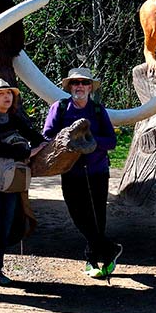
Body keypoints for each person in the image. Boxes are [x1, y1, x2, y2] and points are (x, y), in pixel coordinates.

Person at [43, 66, 122, 279]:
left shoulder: (98, 110)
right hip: (70, 171)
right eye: (76, 83)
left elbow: (112, 141)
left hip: (97, 171)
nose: (80, 86)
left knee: (97, 216)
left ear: (90, 87)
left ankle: (94, 259)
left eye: (84, 83)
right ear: (69, 87)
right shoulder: (59, 108)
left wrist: (94, 143)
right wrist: (68, 142)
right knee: (78, 214)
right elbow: (47, 136)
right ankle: (109, 249)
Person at [0, 78, 45, 289]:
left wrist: (45, 144)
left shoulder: (16, 119)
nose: (7, 96)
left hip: (13, 183)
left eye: (9, 93)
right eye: (1, 93)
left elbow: (34, 136)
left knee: (4, 228)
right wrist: (25, 152)